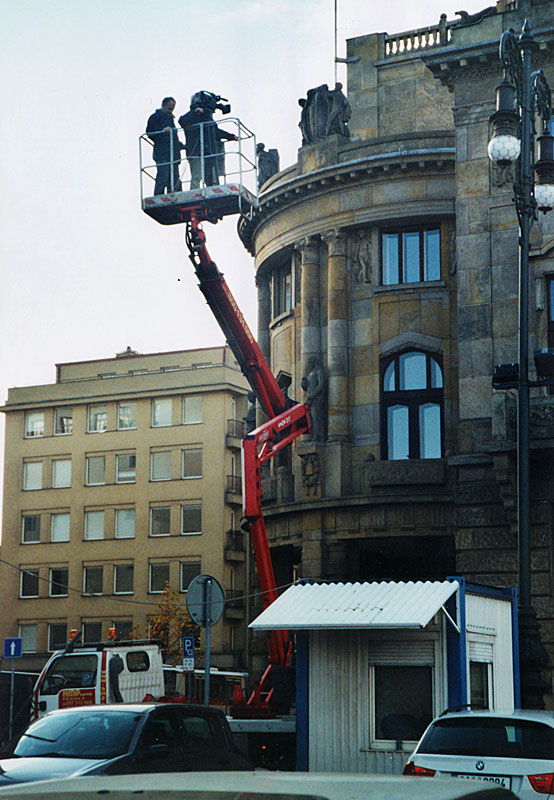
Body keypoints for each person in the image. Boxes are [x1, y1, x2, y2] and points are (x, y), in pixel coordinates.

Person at [179, 92, 237, 189]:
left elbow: (216, 132)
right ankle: (195, 193)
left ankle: (213, 189)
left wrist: (231, 136)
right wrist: (195, 113)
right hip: (195, 152)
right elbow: (182, 121)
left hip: (208, 152)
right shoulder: (191, 117)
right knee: (197, 176)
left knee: (211, 177)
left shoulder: (208, 120)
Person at [146, 97, 183, 195]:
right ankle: (159, 195)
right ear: (163, 105)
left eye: (173, 108)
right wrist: (162, 131)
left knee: (175, 177)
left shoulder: (171, 119)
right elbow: (150, 132)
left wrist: (181, 146)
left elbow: (174, 138)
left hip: (173, 154)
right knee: (163, 175)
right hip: (162, 153)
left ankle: (175, 195)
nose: (171, 110)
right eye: (169, 107)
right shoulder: (155, 117)